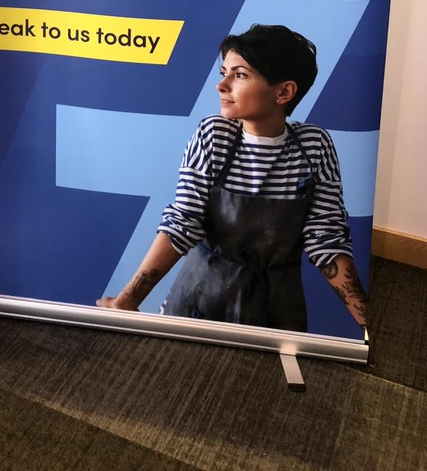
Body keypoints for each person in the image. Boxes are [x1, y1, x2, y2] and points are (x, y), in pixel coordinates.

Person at [97, 24, 368, 332]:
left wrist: (369, 326)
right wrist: (127, 301)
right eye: (224, 73)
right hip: (199, 303)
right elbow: (182, 224)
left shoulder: (315, 146)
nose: (221, 85)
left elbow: (326, 240)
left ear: (284, 92)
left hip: (277, 310)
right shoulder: (213, 136)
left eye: (239, 75)